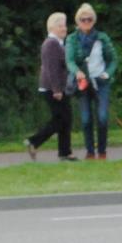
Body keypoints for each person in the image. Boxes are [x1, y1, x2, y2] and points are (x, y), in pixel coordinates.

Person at [64, 3, 118, 160]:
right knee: (86, 119)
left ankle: (102, 151)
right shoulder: (72, 39)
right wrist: (77, 72)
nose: (86, 22)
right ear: (78, 21)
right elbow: (69, 61)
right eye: (83, 19)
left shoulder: (102, 38)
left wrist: (107, 74)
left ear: (94, 21)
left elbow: (113, 59)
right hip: (83, 83)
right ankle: (90, 151)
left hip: (101, 83)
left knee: (102, 117)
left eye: (89, 19)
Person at [24, 12, 76, 161]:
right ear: (52, 28)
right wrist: (57, 90)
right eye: (60, 26)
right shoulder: (51, 44)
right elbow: (51, 69)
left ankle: (65, 152)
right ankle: (34, 141)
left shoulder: (57, 43)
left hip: (58, 87)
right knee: (61, 119)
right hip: (52, 88)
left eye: (64, 25)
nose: (64, 28)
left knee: (65, 119)